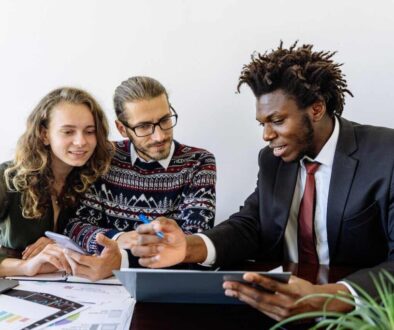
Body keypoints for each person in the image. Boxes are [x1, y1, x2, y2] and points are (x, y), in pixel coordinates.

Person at [129, 42, 394, 320]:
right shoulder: (272, 161)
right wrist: (188, 247)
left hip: (362, 315)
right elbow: (251, 225)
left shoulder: (386, 154)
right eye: (262, 123)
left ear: (316, 110)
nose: (267, 135)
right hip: (277, 311)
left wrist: (330, 298)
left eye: (277, 120)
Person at [62, 76, 216, 281]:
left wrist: (119, 259)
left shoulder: (198, 162)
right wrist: (120, 238)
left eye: (165, 120)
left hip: (168, 284)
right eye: (143, 127)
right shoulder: (103, 157)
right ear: (122, 129)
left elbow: (193, 244)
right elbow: (75, 225)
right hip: (104, 284)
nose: (159, 136)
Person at [0, 87, 113, 277]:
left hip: (83, 289)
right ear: (44, 135)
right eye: (68, 132)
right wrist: (25, 266)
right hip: (18, 290)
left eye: (89, 131)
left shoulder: (99, 178)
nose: (81, 142)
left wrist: (62, 242)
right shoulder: (7, 178)